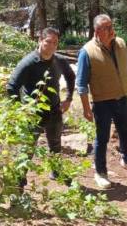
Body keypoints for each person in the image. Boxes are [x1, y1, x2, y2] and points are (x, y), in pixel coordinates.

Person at [76, 14, 127, 189]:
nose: (111, 30)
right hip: (101, 103)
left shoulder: (121, 44)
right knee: (102, 138)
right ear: (97, 31)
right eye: (106, 28)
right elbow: (81, 84)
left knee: (125, 132)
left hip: (122, 98)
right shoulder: (87, 52)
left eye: (111, 26)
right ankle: (100, 173)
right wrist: (86, 109)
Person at [6, 27, 76, 185]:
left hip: (54, 110)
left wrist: (69, 98)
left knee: (56, 143)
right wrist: (21, 111)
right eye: (48, 42)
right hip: (33, 113)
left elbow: (71, 77)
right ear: (40, 41)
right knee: (27, 147)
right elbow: (11, 87)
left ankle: (56, 171)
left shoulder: (59, 60)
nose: (51, 46)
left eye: (55, 43)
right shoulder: (28, 62)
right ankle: (19, 179)